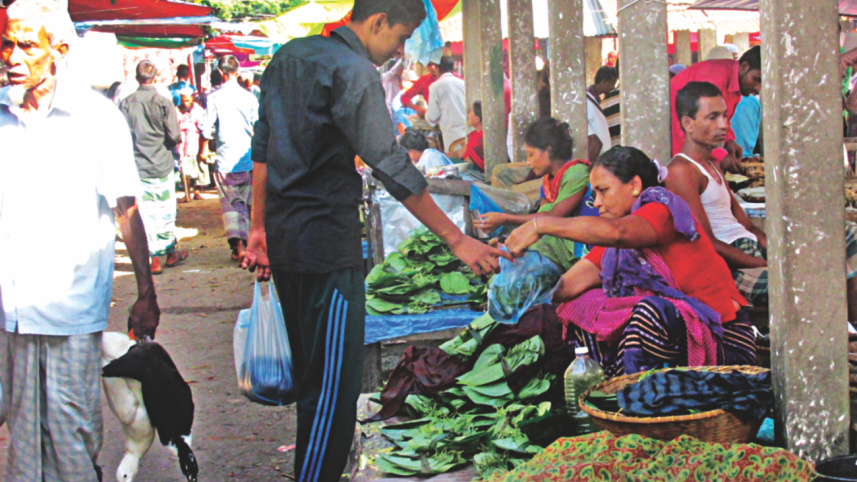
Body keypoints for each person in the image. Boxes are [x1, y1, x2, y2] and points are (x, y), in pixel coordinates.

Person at [242, 0, 511, 479]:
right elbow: (390, 163)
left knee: (314, 384)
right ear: (378, 21)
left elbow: (261, 152)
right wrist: (457, 240)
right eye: (402, 37)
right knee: (333, 393)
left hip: (287, 240)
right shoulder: (354, 70)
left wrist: (258, 229)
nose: (400, 49)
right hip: (327, 245)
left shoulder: (288, 58)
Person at [0, 1, 160, 479]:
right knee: (22, 437)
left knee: (71, 434)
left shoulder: (96, 118)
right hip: (9, 310)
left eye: (26, 45)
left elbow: (126, 209)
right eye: (7, 43)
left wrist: (146, 293)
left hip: (70, 308)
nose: (11, 56)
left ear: (59, 50)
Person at [505, 146, 755, 377]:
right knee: (582, 305)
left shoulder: (661, 210)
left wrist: (542, 224)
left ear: (635, 185)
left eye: (603, 191)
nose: (598, 203)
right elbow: (565, 288)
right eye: (594, 194)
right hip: (678, 341)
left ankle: (639, 396)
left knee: (649, 312)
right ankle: (614, 386)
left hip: (722, 343)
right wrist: (519, 272)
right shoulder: (615, 245)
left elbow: (618, 232)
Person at [665, 82, 857, 321]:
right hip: (731, 264)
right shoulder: (681, 170)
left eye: (725, 116)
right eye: (712, 117)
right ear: (688, 123)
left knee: (847, 234)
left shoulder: (712, 165)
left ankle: (849, 328)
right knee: (809, 282)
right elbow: (707, 244)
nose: (723, 125)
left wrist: (782, 249)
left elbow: (748, 226)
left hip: (750, 249)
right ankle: (837, 329)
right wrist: (768, 263)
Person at [475, 117, 597, 271]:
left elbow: (554, 217)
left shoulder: (576, 172)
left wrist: (505, 218)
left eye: (531, 154)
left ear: (549, 150)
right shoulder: (548, 180)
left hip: (585, 247)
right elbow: (540, 218)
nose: (528, 161)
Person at [119, 59, 188, 275]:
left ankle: (154, 258)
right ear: (155, 77)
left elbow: (120, 136)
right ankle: (169, 253)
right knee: (165, 210)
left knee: (146, 213)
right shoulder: (164, 102)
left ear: (137, 77)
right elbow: (175, 135)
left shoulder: (126, 103)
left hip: (138, 164)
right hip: (162, 162)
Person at [200, 55, 259, 261]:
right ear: (237, 71)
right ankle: (249, 246)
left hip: (225, 159)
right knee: (248, 202)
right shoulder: (249, 97)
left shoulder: (214, 98)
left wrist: (204, 147)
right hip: (248, 157)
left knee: (231, 203)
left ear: (221, 72)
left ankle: (240, 247)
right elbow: (258, 126)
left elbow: (206, 128)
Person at [670, 45, 762, 173]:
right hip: (679, 155)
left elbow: (721, 120)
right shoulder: (713, 78)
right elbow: (693, 127)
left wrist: (729, 141)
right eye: (756, 79)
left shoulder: (734, 83)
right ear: (744, 66)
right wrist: (720, 155)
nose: (758, 89)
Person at [426, 55, 466, 152]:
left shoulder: (435, 87)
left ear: (437, 68)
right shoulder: (462, 83)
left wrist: (426, 115)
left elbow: (433, 116)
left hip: (450, 135)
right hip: (466, 133)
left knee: (453, 162)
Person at [176, 87, 208, 198]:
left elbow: (204, 128)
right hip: (183, 144)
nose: (185, 103)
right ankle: (187, 192)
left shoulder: (199, 111)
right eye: (183, 100)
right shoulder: (177, 111)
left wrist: (204, 146)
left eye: (187, 100)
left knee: (198, 167)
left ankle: (197, 191)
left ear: (192, 98)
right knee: (186, 169)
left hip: (197, 141)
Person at [586, 66, 618, 163]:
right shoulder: (587, 100)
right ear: (604, 82)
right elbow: (596, 143)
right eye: (612, 84)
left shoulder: (594, 99)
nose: (613, 88)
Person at [463, 100, 485, 171]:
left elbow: (469, 161)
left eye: (471, 112)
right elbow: (460, 152)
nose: (468, 114)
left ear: (477, 119)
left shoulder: (481, 139)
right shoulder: (474, 134)